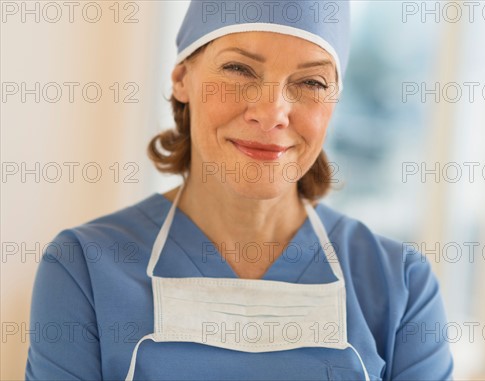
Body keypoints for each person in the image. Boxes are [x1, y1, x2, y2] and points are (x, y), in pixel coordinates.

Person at [26, 1, 454, 380]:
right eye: (239, 69)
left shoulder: (400, 284)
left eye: (311, 83)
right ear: (182, 78)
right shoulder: (84, 266)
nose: (271, 114)